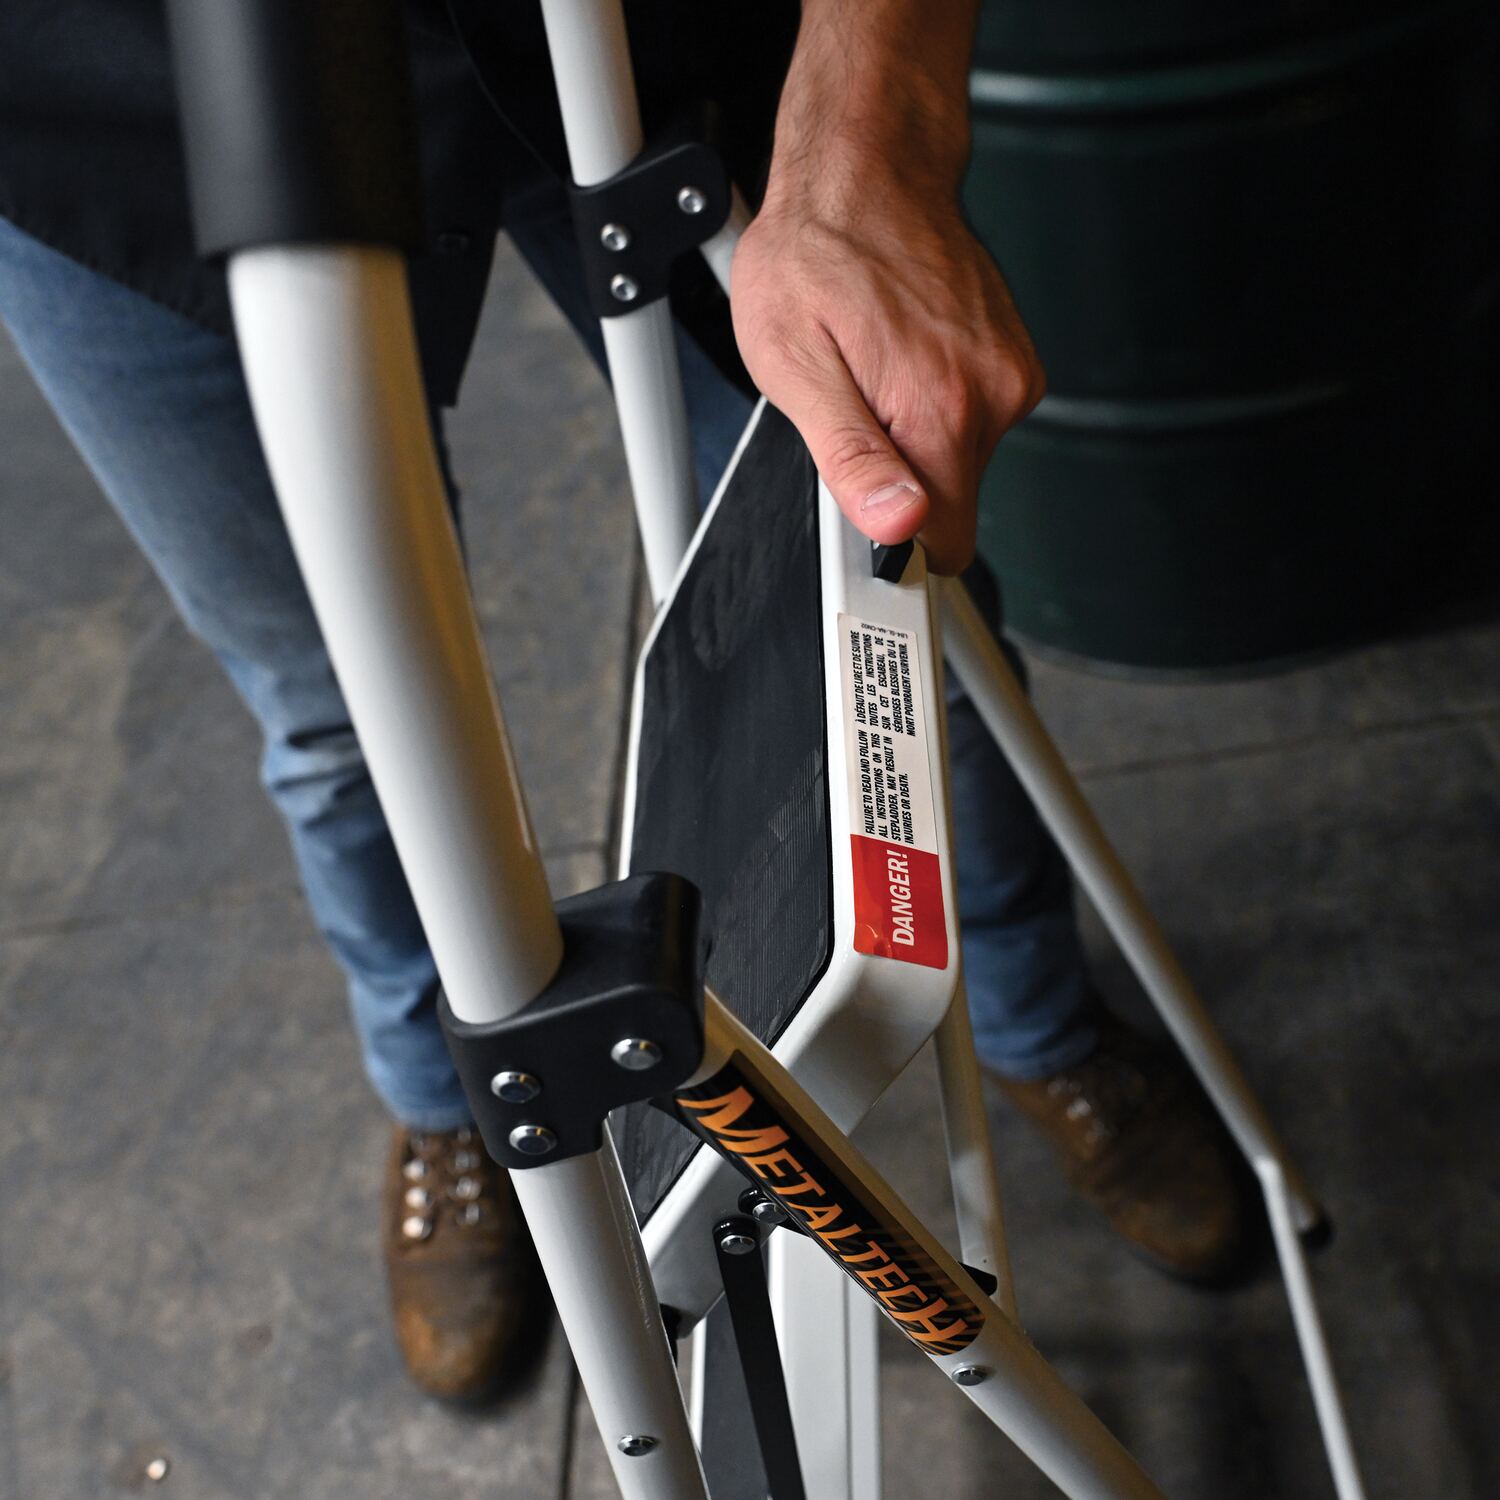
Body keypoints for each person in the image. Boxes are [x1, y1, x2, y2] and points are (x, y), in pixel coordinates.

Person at [0, 0, 1248, 1402]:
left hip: (592, 33)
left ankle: (1041, 1020)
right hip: (113, 104)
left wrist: (871, 137)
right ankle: (454, 1105)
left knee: (877, 577)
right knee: (338, 708)